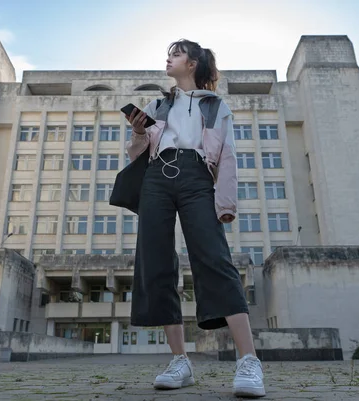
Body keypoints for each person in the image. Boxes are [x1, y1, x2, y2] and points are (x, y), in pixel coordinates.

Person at [124, 39, 265, 398]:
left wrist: (226, 202)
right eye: (168, 54)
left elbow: (227, 154)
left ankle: (248, 360)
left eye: (176, 54)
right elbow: (137, 152)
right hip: (157, 177)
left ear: (193, 63)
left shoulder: (216, 105)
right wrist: (140, 131)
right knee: (154, 261)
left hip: (197, 175)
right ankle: (180, 361)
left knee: (214, 258)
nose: (168, 59)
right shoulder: (158, 104)